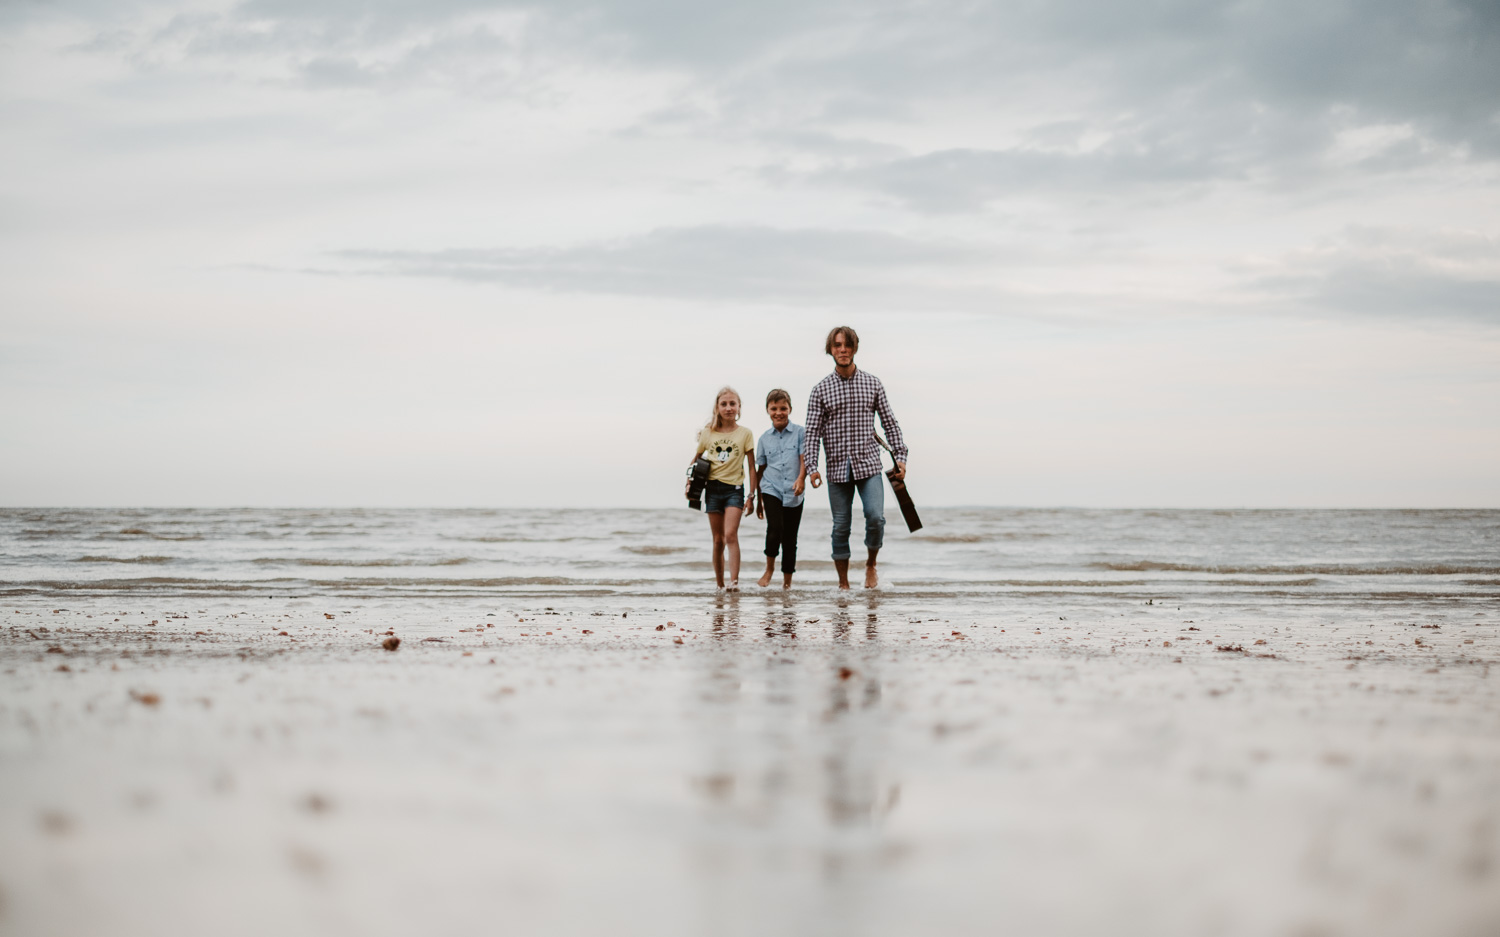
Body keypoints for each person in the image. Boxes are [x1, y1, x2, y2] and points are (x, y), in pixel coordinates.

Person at [804, 326, 907, 590]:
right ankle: (843, 584)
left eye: (847, 345)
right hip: (837, 469)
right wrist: (812, 467)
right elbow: (812, 433)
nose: (842, 350)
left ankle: (871, 564)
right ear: (831, 349)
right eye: (837, 345)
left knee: (875, 517)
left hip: (869, 465)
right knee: (841, 527)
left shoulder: (872, 383)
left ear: (854, 348)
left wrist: (901, 457)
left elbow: (890, 423)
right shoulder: (820, 390)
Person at [687, 386, 757, 591]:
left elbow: (752, 467)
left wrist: (751, 495)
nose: (728, 408)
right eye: (724, 404)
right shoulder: (708, 434)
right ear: (717, 408)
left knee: (730, 535)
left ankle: (734, 582)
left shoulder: (745, 433)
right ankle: (719, 585)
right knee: (718, 541)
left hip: (734, 490)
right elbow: (696, 459)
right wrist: (689, 483)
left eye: (732, 404)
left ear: (739, 407)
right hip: (712, 490)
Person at [754, 389, 807, 589]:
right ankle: (769, 569)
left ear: (790, 409)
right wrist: (758, 500)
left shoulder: (800, 432)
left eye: (783, 408)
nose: (778, 412)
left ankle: (787, 583)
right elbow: (761, 469)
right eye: (774, 408)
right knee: (775, 529)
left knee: (790, 538)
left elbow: (804, 458)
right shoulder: (764, 438)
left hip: (795, 490)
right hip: (771, 487)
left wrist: (801, 479)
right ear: (767, 410)